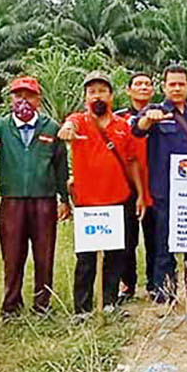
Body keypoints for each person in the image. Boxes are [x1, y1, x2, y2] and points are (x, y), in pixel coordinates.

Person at [0, 76, 70, 317]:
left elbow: (61, 166)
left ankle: (42, 305)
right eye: (18, 96)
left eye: (29, 95)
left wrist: (64, 199)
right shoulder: (1, 125)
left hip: (44, 201)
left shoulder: (51, 127)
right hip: (12, 202)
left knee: (44, 255)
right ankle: (11, 306)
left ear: (38, 99)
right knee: (12, 255)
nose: (23, 101)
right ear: (11, 99)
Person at [60, 71, 146, 315]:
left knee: (115, 256)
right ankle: (83, 309)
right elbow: (69, 124)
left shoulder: (122, 126)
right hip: (88, 203)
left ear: (111, 95)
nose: (97, 96)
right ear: (86, 97)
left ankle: (109, 302)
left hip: (118, 200)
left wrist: (140, 194)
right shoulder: (79, 120)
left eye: (102, 91)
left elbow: (131, 162)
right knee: (86, 260)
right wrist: (67, 128)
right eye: (92, 92)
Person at [132, 64, 187, 308]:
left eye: (181, 84)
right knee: (164, 246)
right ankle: (165, 297)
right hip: (164, 191)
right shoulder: (155, 112)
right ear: (164, 87)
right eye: (172, 84)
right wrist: (148, 119)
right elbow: (137, 128)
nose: (176, 88)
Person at [114, 71, 157, 302]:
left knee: (155, 238)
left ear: (153, 90)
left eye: (147, 84)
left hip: (155, 184)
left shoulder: (161, 114)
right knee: (127, 239)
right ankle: (127, 284)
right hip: (127, 185)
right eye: (138, 84)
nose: (143, 87)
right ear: (128, 90)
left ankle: (154, 283)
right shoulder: (118, 118)